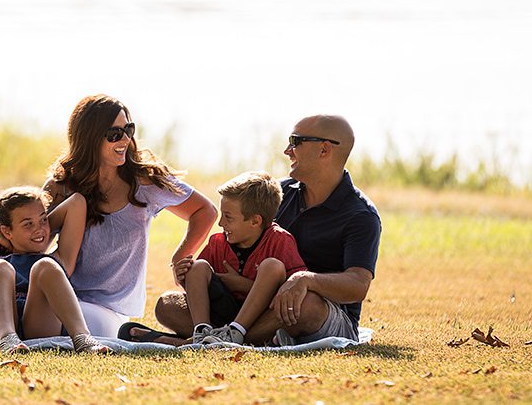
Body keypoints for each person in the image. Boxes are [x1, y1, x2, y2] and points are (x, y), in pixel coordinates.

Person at [157, 114, 380, 346]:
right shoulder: (278, 194)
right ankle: (233, 336)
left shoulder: (361, 215)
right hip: (255, 305)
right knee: (167, 305)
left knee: (305, 305)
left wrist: (305, 280)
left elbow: (357, 285)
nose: (287, 150)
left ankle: (222, 340)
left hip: (317, 311)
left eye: (296, 141)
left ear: (324, 149)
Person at [43, 94, 218, 338]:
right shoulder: (61, 185)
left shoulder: (145, 180)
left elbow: (205, 211)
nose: (125, 139)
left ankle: (148, 336)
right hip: (62, 295)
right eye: (114, 133)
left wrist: (180, 256)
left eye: (128, 129)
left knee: (71, 326)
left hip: (109, 310)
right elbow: (33, 240)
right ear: (90, 137)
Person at [0, 186, 109, 353]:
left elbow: (76, 202)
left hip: (38, 324)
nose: (39, 229)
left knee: (45, 265)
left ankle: (82, 338)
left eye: (43, 220)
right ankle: (8, 338)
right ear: (7, 231)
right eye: (28, 224)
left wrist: (39, 229)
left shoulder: (59, 260)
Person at [165, 171, 306, 345]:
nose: (221, 223)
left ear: (255, 221)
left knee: (272, 267)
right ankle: (202, 332)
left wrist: (242, 285)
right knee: (168, 303)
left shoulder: (280, 241)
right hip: (221, 314)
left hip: (261, 317)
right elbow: (198, 288)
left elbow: (295, 290)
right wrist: (184, 275)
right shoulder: (217, 243)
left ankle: (235, 333)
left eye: (228, 217)